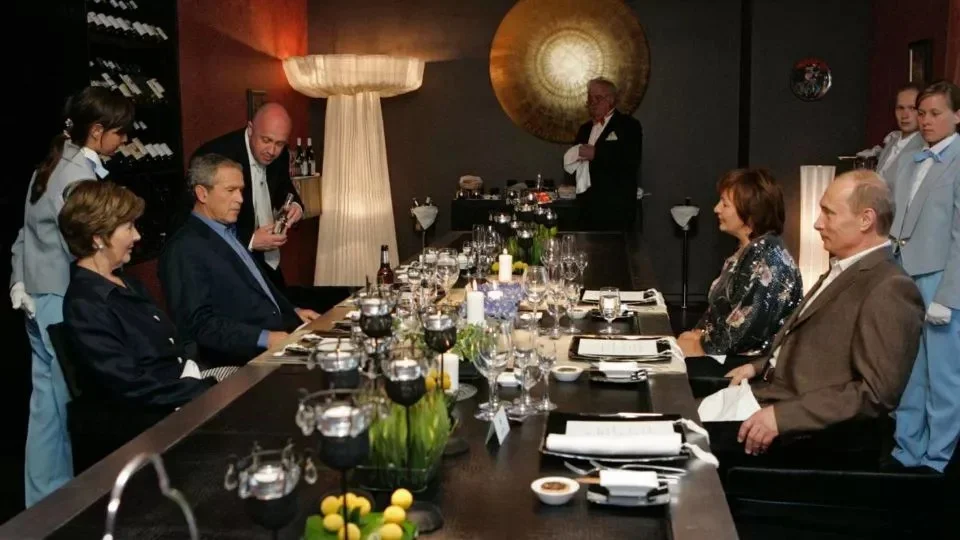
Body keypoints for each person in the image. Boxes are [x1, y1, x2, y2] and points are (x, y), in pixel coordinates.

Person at [713, 170, 924, 464]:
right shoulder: (846, 268)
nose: (817, 223)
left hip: (803, 433)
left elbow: (876, 394)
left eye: (829, 213)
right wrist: (758, 366)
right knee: (667, 416)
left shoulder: (890, 287)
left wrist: (782, 417)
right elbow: (812, 345)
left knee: (672, 435)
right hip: (765, 396)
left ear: (866, 219)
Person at [8, 86, 134, 506]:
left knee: (46, 406)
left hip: (36, 297)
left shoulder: (51, 164)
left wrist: (18, 282)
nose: (124, 139)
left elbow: (25, 234)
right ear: (96, 131)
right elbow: (88, 247)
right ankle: (61, 503)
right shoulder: (75, 175)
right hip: (61, 300)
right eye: (119, 131)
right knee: (65, 405)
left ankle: (44, 500)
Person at [60, 181, 216, 445]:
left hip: (179, 388)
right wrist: (203, 389)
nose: (137, 236)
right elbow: (130, 385)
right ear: (98, 238)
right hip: (148, 420)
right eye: (129, 227)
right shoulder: (84, 304)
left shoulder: (128, 283)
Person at [160, 153, 320, 367]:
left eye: (241, 190)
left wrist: (293, 311)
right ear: (202, 193)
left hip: (282, 337)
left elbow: (256, 290)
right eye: (230, 190)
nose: (240, 199)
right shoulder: (184, 248)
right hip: (243, 361)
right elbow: (198, 325)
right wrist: (266, 338)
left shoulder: (228, 232)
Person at [888, 80, 960, 474]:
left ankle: (939, 456)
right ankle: (908, 447)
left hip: (940, 277)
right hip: (905, 273)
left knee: (943, 374)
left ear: (957, 115)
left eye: (935, 113)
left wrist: (948, 295)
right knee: (909, 367)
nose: (926, 120)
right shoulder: (913, 158)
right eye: (922, 113)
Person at [678, 169, 802, 357]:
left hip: (745, 365)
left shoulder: (767, 256)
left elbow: (745, 328)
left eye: (725, 204)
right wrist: (696, 335)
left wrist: (699, 347)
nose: (716, 209)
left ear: (751, 213)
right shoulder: (749, 249)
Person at [190, 102, 303, 291]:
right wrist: (250, 240)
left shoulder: (280, 154)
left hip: (269, 264)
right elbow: (196, 223)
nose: (272, 151)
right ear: (250, 129)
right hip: (230, 267)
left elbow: (283, 186)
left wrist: (296, 206)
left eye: (279, 143)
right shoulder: (216, 155)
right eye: (266, 140)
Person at [565, 78, 643, 231]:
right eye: (590, 98)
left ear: (611, 99)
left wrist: (597, 154)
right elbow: (575, 163)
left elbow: (631, 161)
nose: (592, 103)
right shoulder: (584, 129)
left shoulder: (628, 125)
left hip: (616, 209)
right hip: (587, 209)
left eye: (598, 98)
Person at [873, 83, 925, 179]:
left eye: (912, 108)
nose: (905, 115)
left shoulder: (925, 146)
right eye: (900, 108)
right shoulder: (892, 141)